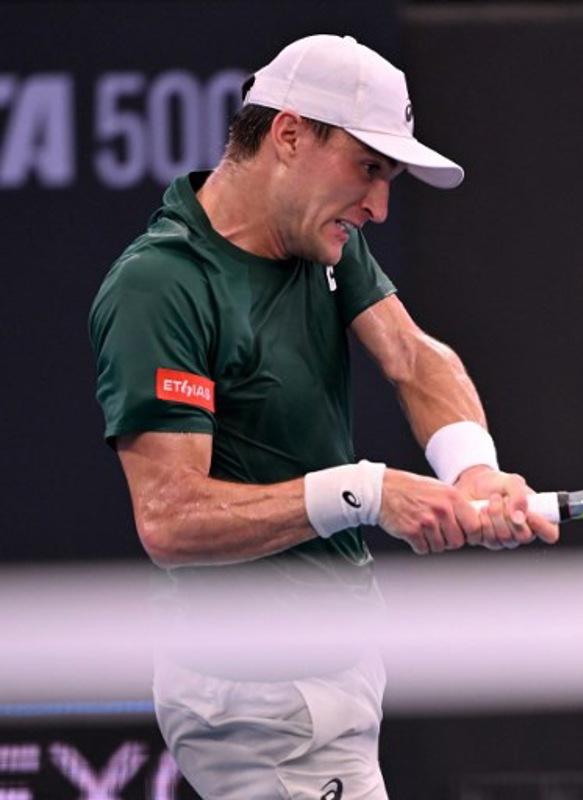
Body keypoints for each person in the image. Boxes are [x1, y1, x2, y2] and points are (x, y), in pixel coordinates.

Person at [88, 34, 559, 799]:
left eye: (389, 179)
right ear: (289, 134)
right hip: (255, 693)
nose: (377, 205)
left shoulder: (322, 240)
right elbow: (170, 519)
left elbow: (413, 357)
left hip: (332, 668)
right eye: (368, 169)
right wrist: (368, 493)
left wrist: (473, 468)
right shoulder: (162, 286)